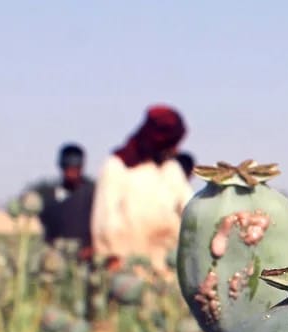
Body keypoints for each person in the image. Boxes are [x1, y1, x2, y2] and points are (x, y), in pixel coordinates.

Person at [91, 105, 193, 275]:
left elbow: (190, 208)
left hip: (167, 270)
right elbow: (106, 218)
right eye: (171, 144)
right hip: (128, 270)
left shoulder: (171, 169)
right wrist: (113, 256)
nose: (175, 150)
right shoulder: (117, 167)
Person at [37, 143, 96, 260]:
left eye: (76, 168)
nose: (72, 173)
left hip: (87, 259)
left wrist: (92, 248)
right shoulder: (51, 197)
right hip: (59, 260)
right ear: (62, 167)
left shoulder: (93, 194)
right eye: (68, 168)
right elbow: (48, 230)